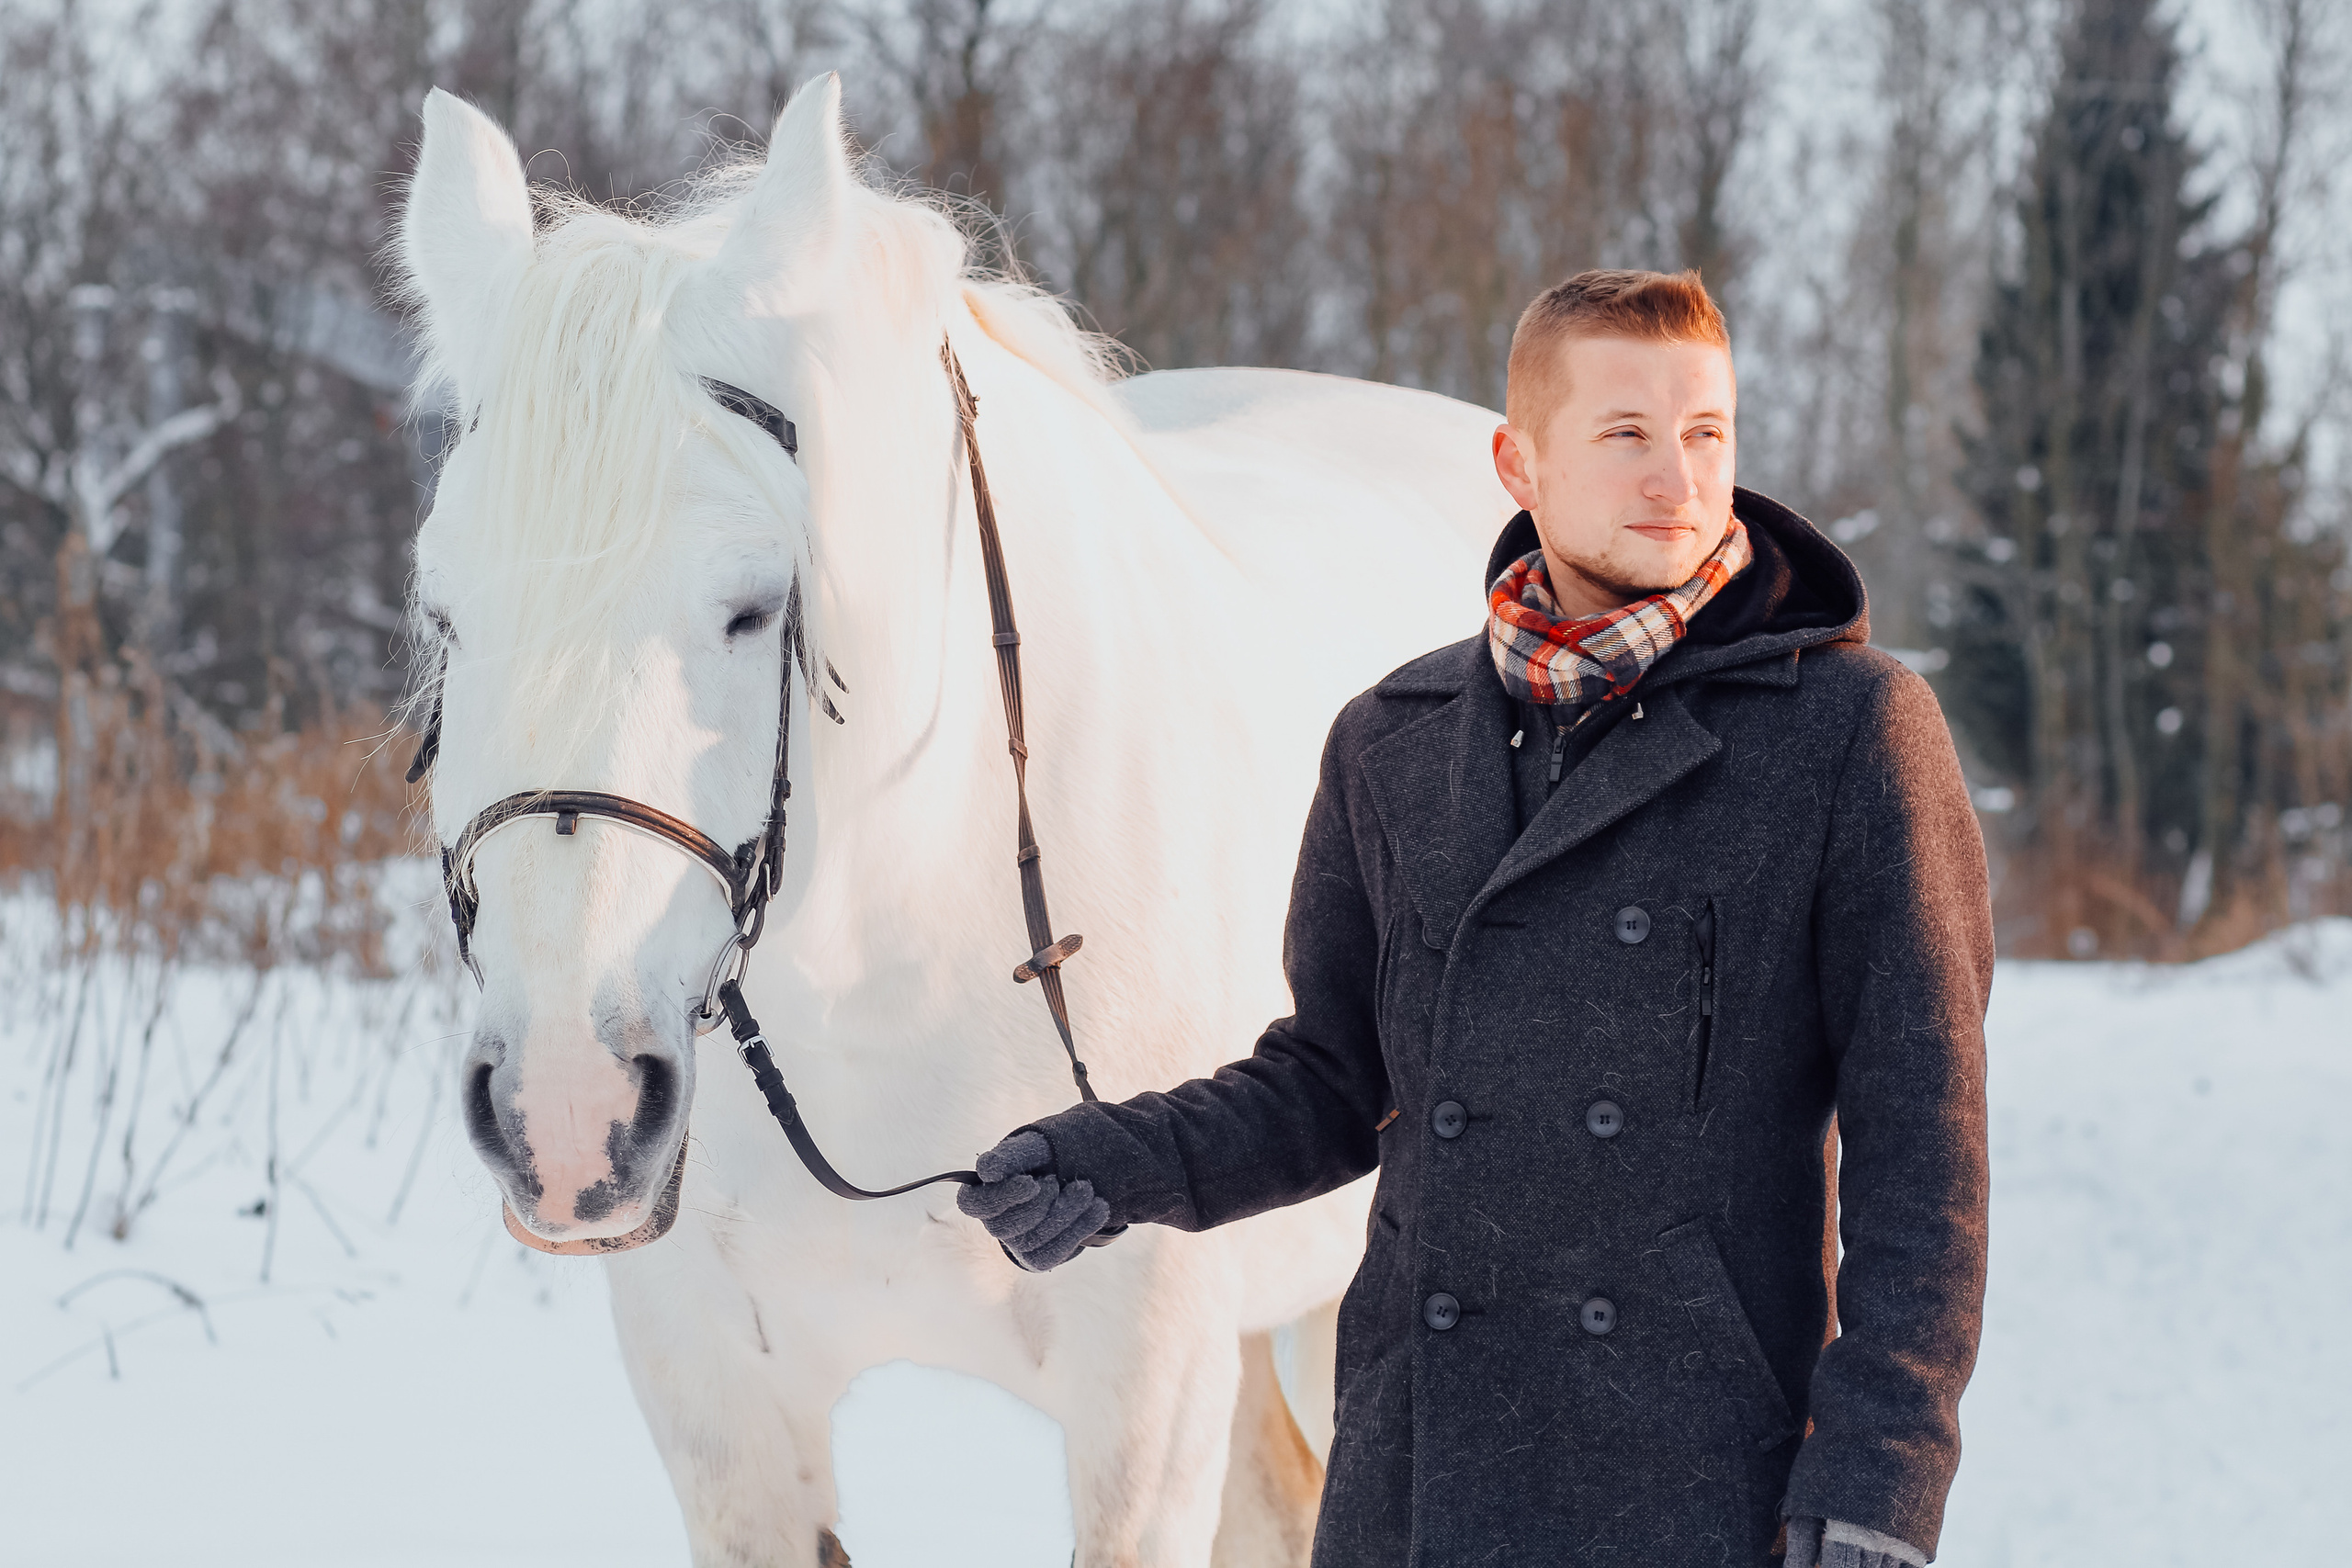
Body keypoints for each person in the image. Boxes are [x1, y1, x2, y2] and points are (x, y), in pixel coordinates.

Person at [959, 269, 1991, 1568]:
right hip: (1414, 1475)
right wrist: (1115, 1164)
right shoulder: (1393, 743)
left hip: (1700, 1477)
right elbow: (1332, 1086)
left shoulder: (1849, 733)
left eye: (1706, 434)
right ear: (1521, 462)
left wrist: (1880, 1480)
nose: (1677, 479)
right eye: (1626, 435)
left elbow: (1925, 1150)